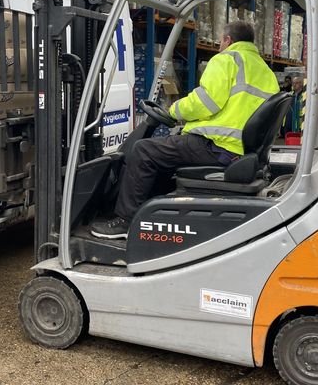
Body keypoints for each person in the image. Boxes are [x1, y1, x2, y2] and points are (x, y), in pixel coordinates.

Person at [91, 21, 280, 239]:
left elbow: (206, 102)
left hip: (218, 145)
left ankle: (125, 221)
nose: (220, 44)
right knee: (164, 154)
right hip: (240, 149)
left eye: (220, 40)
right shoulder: (265, 71)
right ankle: (152, 214)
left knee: (144, 151)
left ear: (227, 40)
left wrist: (173, 110)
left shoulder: (226, 59)